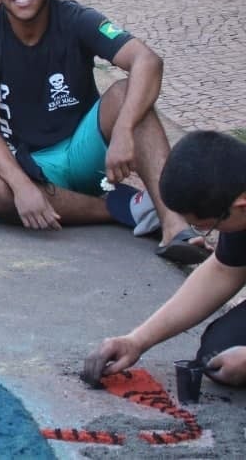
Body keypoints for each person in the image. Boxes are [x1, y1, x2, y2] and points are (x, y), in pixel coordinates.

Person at [0, 0, 207, 264]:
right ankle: (124, 208)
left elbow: (147, 61)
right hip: (30, 162)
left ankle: (175, 227)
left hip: (84, 149)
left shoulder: (76, 18)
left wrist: (123, 131)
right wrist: (21, 186)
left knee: (125, 93)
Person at [84, 132, 246, 388]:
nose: (211, 234)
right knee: (218, 355)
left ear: (241, 205)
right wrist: (137, 340)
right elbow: (223, 271)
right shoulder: (238, 201)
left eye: (207, 226)